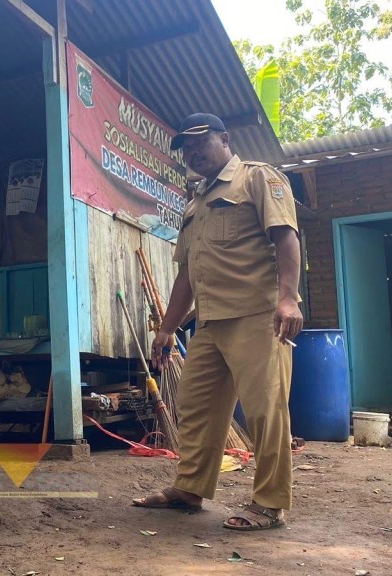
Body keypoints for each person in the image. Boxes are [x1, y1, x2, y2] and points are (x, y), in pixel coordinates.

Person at [132, 113, 303, 531]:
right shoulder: (195, 203)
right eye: (186, 148)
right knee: (195, 408)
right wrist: (167, 328)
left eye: (199, 142)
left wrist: (287, 299)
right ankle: (190, 488)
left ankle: (270, 503)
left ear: (225, 139)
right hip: (208, 323)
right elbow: (186, 275)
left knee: (265, 411)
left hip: (256, 316)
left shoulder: (257, 179)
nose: (192, 152)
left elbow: (286, 238)